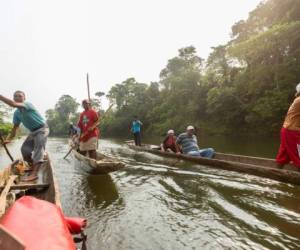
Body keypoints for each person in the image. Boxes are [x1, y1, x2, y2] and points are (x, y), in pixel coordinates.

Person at [0, 91, 49, 181]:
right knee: (24, 150)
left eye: (20, 96)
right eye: (15, 96)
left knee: (39, 148)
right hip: (33, 132)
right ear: (14, 98)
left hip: (42, 129)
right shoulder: (16, 114)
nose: (17, 97)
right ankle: (32, 165)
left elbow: (13, 104)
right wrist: (9, 139)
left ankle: (34, 174)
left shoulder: (27, 104)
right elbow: (15, 128)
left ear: (24, 98)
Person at [276, 83, 300, 170]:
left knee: (284, 155)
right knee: (298, 156)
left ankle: (276, 174)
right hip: (292, 131)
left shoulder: (297, 99)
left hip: (287, 130)